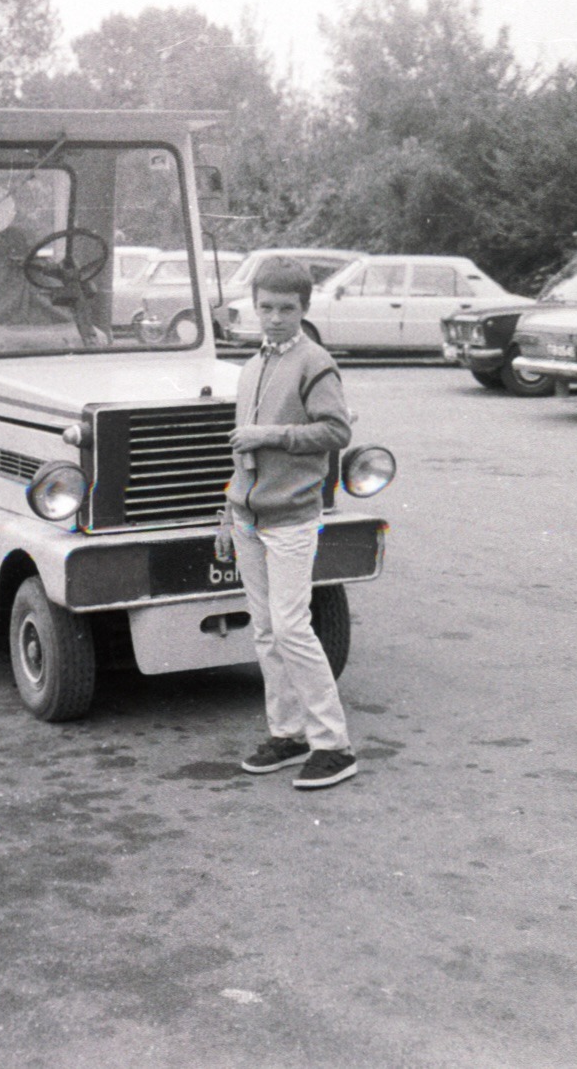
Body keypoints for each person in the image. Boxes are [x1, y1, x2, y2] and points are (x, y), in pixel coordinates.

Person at [216, 257, 358, 790]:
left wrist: (270, 436)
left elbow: (336, 431)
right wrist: (227, 511)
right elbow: (240, 451)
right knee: (267, 632)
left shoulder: (313, 362)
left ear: (304, 308)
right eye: (266, 308)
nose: (274, 318)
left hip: (293, 517)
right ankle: (288, 733)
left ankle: (335, 745)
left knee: (293, 628)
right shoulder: (253, 365)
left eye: (286, 309)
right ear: (254, 307)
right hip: (248, 518)